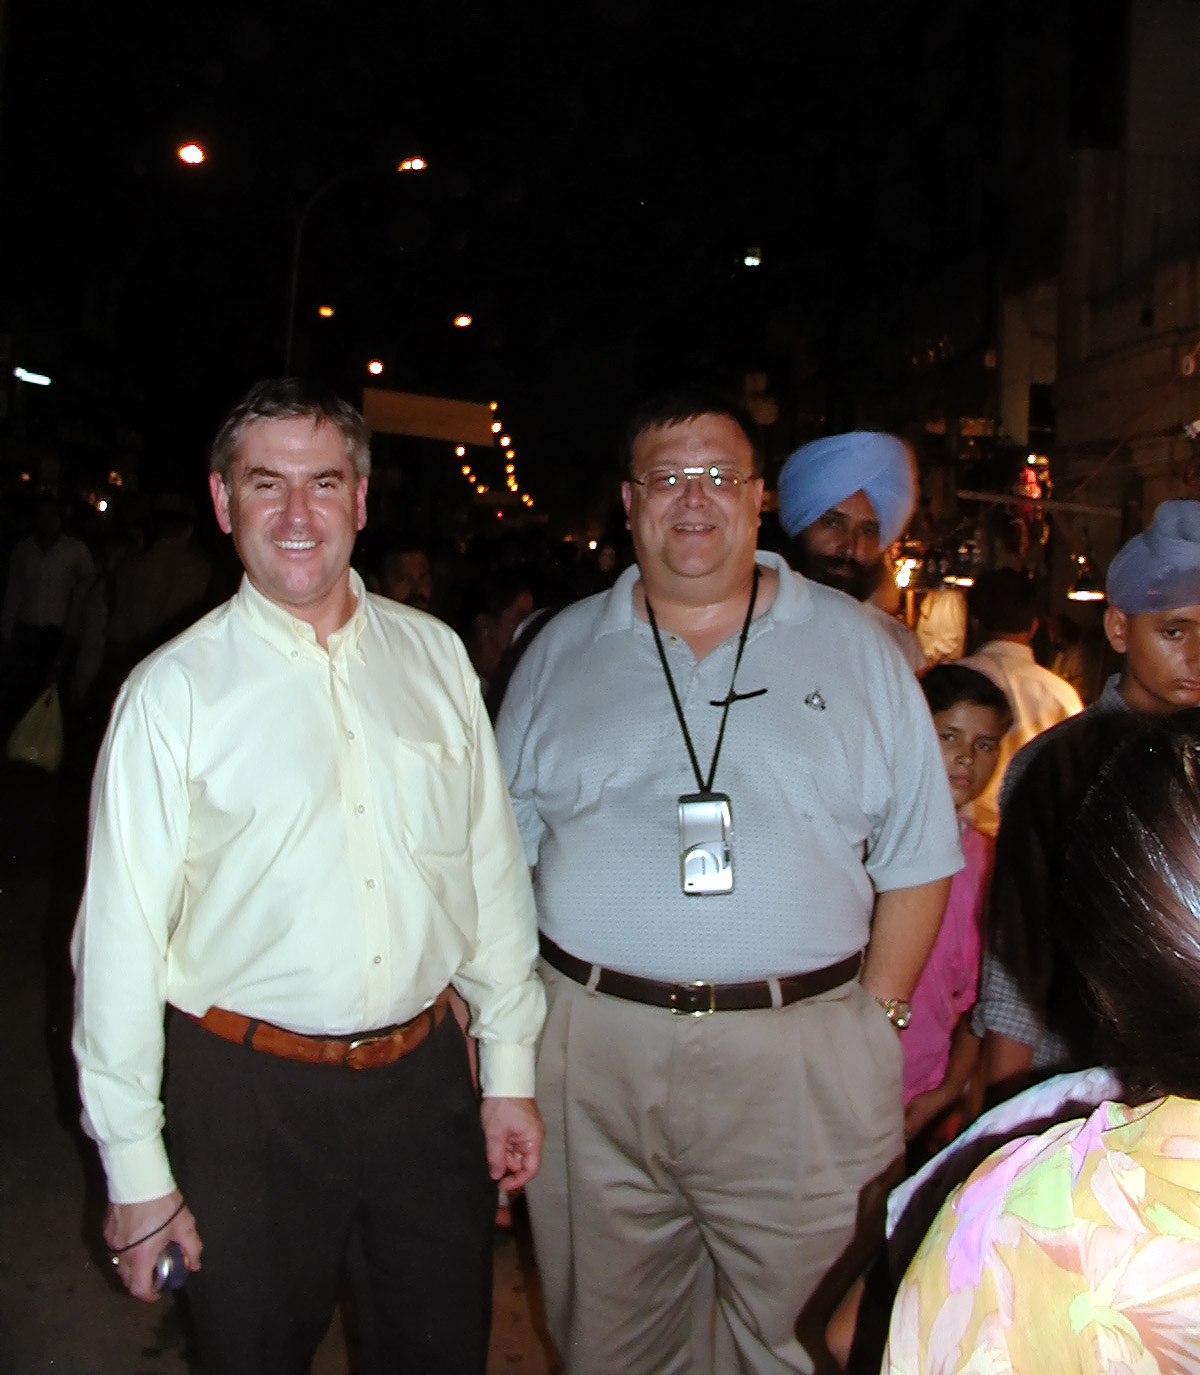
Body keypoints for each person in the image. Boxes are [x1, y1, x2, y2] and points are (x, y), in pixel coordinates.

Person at [71, 379, 545, 1375]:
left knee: (438, 1352)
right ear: (222, 502)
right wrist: (137, 1172)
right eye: (266, 484)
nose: (297, 515)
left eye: (323, 483)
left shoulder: (436, 658)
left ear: (361, 500)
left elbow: (491, 877)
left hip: (424, 1087)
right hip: (246, 1094)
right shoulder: (171, 695)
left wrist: (506, 1072)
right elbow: (115, 943)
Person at [495, 387, 962, 1374]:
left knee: (805, 1343)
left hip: (803, 1054)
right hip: (593, 1053)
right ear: (630, 504)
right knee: (609, 1342)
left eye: (719, 477)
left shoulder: (865, 649)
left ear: (759, 500)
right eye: (668, 478)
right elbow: (498, 860)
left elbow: (921, 854)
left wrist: (873, 1021)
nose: (693, 499)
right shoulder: (554, 652)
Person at [885, 710, 1200, 1373]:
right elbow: (1003, 987)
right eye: (1174, 627)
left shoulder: (1021, 1210)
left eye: (983, 743)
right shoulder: (1054, 763)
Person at [974, 498, 1200, 1102]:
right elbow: (1018, 957)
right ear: (1120, 628)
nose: (1197, 658)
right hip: (1082, 1083)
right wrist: (1005, 1115)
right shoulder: (1058, 766)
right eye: (1174, 631)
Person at [902, 665, 1009, 1146]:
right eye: (948, 736)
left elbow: (982, 999)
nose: (966, 757)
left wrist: (946, 1091)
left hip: (926, 1088)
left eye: (985, 745)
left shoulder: (989, 861)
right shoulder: (859, 846)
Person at [777, 430, 925, 671]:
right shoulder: (744, 624)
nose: (849, 548)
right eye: (833, 523)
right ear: (800, 525)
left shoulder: (895, 646)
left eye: (867, 531)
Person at [955, 567, 1082, 836]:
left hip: (960, 841)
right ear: (1034, 626)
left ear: (974, 620)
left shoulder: (951, 683)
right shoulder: (1062, 694)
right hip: (1034, 841)